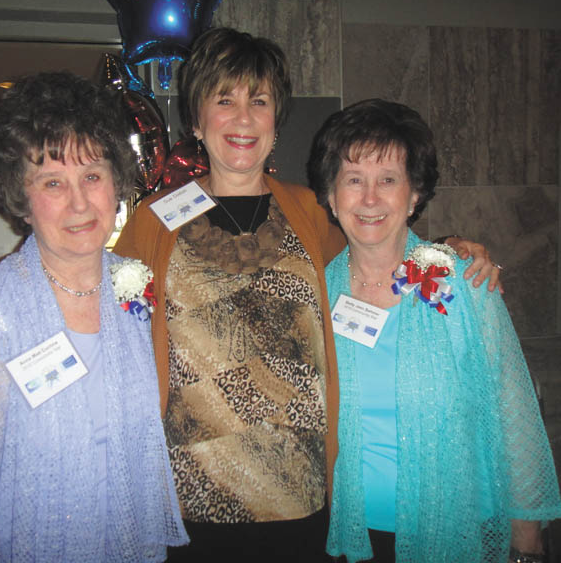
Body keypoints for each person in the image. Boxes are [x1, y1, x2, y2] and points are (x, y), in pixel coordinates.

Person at [113, 28, 501, 561]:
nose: (243, 118)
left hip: (303, 496)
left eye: (260, 100)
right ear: (197, 121)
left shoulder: (310, 212)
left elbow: (377, 246)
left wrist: (448, 250)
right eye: (223, 100)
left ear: (277, 121)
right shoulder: (156, 220)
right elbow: (95, 298)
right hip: (191, 497)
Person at [0, 72, 187, 562]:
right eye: (53, 182)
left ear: (115, 182)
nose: (79, 202)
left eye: (91, 176)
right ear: (21, 199)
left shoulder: (139, 288)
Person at [307, 99, 561, 562]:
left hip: (460, 525)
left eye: (388, 179)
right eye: (353, 180)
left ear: (415, 194)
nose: (369, 199)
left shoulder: (466, 283)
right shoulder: (315, 294)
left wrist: (527, 542)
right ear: (330, 195)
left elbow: (515, 414)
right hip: (356, 534)